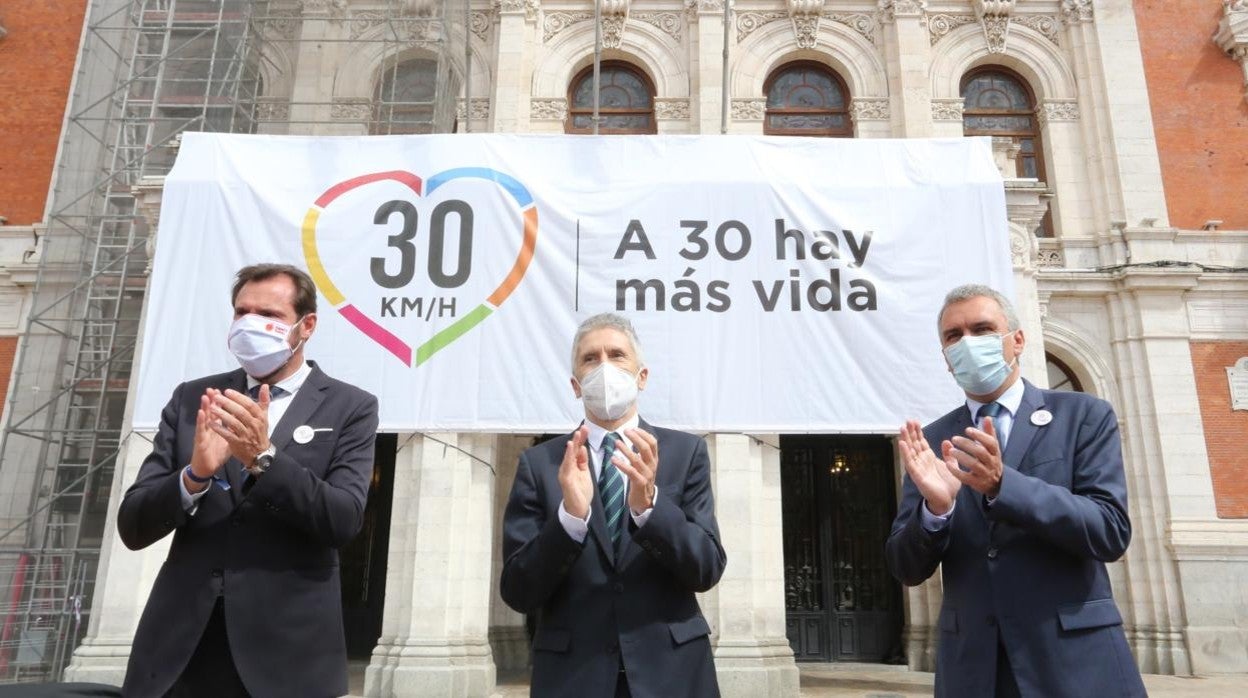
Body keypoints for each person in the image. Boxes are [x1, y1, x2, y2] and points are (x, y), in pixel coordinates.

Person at [117, 264, 379, 698]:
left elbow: (343, 519)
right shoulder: (194, 398)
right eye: (242, 312)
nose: (250, 324)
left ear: (305, 325)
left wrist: (265, 460)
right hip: (181, 652)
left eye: (268, 314)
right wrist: (195, 475)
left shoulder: (350, 407)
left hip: (288, 655)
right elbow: (134, 525)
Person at [885, 284, 1145, 697]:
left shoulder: (1082, 417)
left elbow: (1110, 531)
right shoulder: (932, 441)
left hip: (1074, 664)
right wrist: (936, 510)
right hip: (974, 671)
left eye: (983, 329)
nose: (967, 343)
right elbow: (906, 567)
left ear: (1017, 340)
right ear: (947, 360)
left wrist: (1004, 485)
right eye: (954, 336)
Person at [500, 313, 727, 698]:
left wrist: (650, 509)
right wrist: (569, 519)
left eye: (617, 355)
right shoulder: (540, 464)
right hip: (574, 677)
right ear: (575, 385)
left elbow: (706, 568)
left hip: (672, 673)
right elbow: (519, 591)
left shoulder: (685, 453)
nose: (604, 366)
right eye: (591, 358)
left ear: (641, 376)